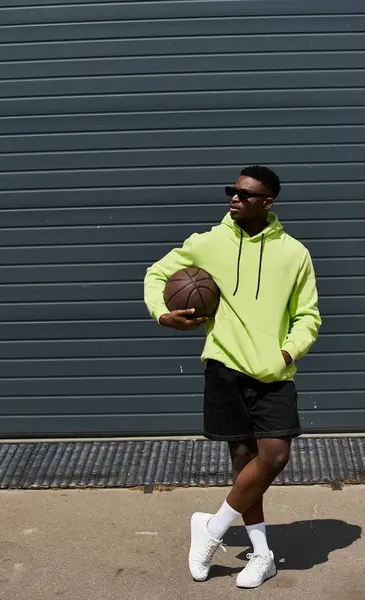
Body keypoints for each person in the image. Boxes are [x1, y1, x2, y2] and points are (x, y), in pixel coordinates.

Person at [143, 165, 321, 589]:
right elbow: (156, 274)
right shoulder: (207, 243)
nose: (234, 198)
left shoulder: (294, 253)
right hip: (224, 367)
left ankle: (212, 528)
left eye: (244, 193)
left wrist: (286, 352)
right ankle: (262, 555)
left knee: (274, 457)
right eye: (232, 191)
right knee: (243, 462)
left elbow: (308, 316)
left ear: (267, 202)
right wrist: (163, 313)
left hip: (273, 373)